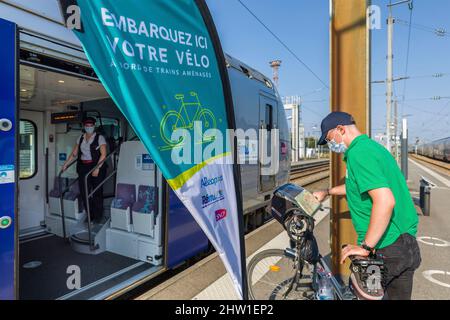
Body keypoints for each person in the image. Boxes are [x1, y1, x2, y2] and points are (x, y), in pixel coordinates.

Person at [313, 112, 421, 300]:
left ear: (340, 129)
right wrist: (328, 192)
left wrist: (365, 247)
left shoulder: (358, 154)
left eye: (330, 139)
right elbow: (357, 186)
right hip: (405, 245)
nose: (331, 146)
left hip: (386, 247)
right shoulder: (372, 148)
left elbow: (385, 201)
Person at [62, 117, 107, 223]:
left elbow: (104, 154)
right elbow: (74, 154)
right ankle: (90, 214)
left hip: (97, 166)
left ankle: (98, 216)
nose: (89, 127)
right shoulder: (81, 138)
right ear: (84, 126)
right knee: (84, 192)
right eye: (87, 125)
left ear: (94, 126)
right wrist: (66, 164)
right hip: (83, 167)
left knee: (97, 192)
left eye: (91, 125)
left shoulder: (99, 138)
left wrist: (97, 168)